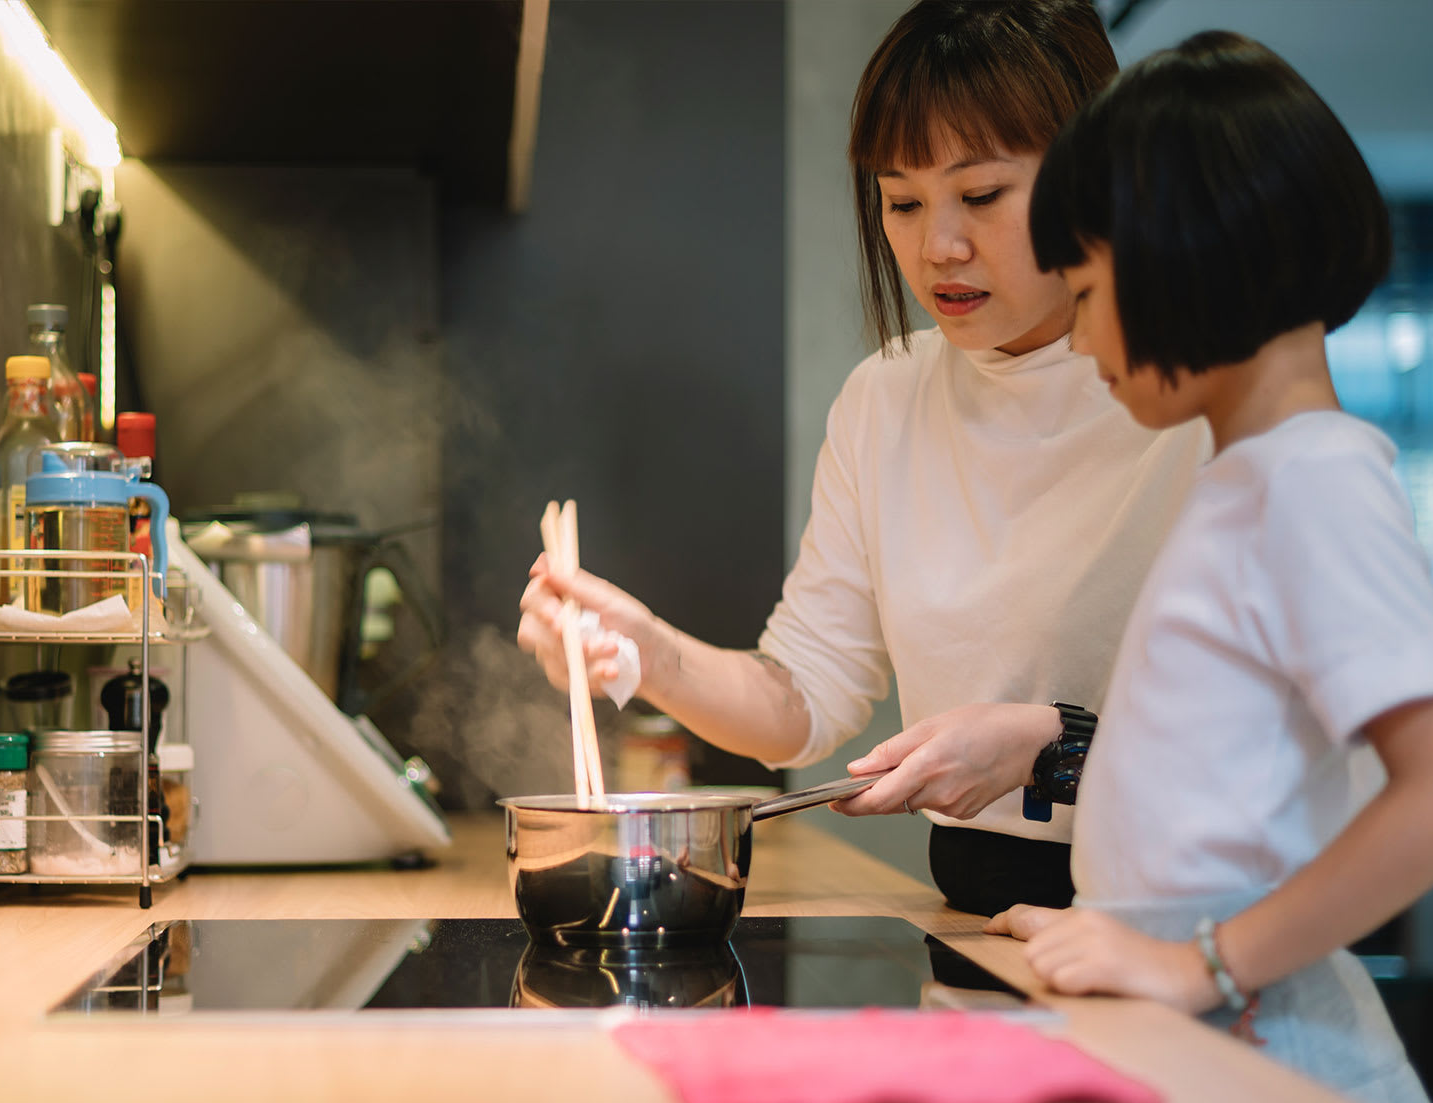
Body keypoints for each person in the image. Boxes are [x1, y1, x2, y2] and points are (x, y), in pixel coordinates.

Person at [517, 0, 1208, 917]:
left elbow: (1288, 740)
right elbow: (801, 702)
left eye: (983, 195)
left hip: (1187, 921)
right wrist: (647, 655)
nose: (938, 247)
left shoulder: (1202, 390)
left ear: (1093, 177)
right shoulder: (886, 399)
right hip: (984, 919)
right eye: (903, 202)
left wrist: (1055, 744)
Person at [986, 31, 1433, 1103]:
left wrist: (1197, 961)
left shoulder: (1310, 483)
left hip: (1264, 1041)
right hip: (1203, 1019)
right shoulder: (1256, 477)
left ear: (1185, 253)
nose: (1079, 341)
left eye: (1084, 291)